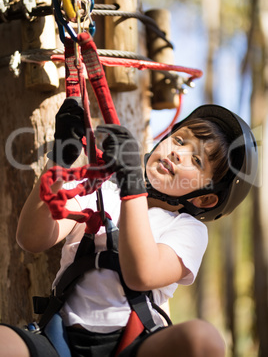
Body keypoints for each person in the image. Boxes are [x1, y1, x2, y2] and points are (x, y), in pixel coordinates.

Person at [0, 98, 257, 357]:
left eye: (197, 160)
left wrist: (132, 185)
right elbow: (31, 238)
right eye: (179, 140)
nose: (178, 153)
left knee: (204, 339)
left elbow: (142, 274)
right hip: (60, 339)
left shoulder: (188, 230)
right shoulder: (100, 188)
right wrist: (58, 162)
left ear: (204, 199)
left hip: (135, 345)